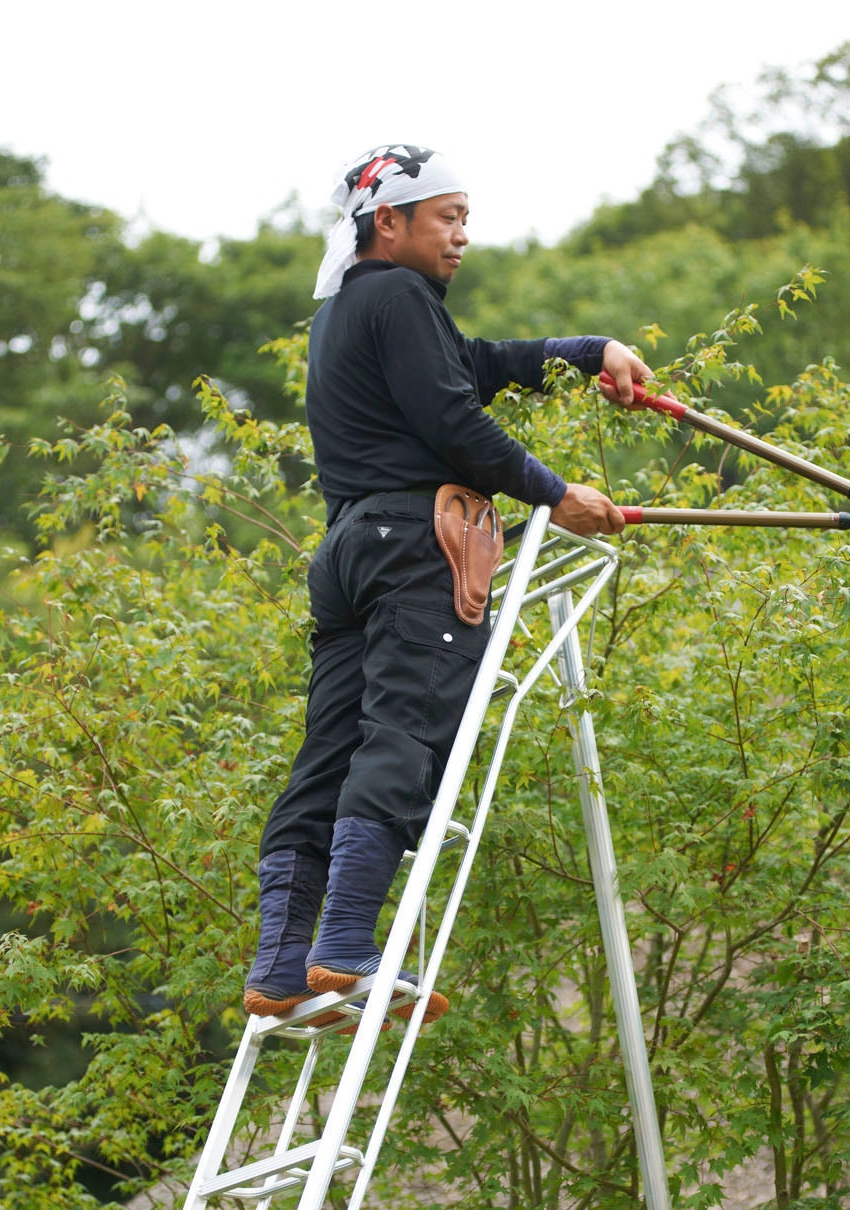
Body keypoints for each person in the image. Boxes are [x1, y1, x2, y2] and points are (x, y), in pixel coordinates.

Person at [243, 143, 651, 1022]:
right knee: (406, 731)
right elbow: (456, 419)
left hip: (349, 549)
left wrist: (589, 351)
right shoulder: (398, 296)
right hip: (414, 547)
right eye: (448, 218)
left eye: (465, 217)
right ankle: (347, 946)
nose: (464, 236)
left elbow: (481, 364)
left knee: (329, 753)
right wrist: (556, 494)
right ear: (387, 221)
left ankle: (281, 964)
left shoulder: (352, 309)